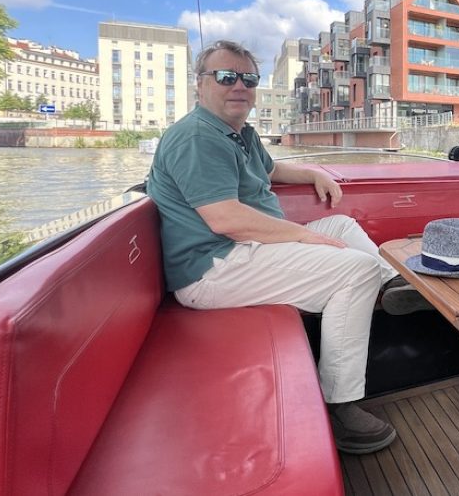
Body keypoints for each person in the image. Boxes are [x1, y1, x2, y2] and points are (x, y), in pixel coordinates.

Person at [145, 39, 423, 455]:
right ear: (200, 85)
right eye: (225, 77)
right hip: (214, 268)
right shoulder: (197, 138)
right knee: (354, 269)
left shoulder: (239, 133)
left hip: (244, 251)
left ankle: (395, 287)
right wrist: (305, 236)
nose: (239, 86)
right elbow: (227, 220)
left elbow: (273, 169)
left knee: (341, 225)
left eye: (248, 79)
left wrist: (312, 173)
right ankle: (341, 406)